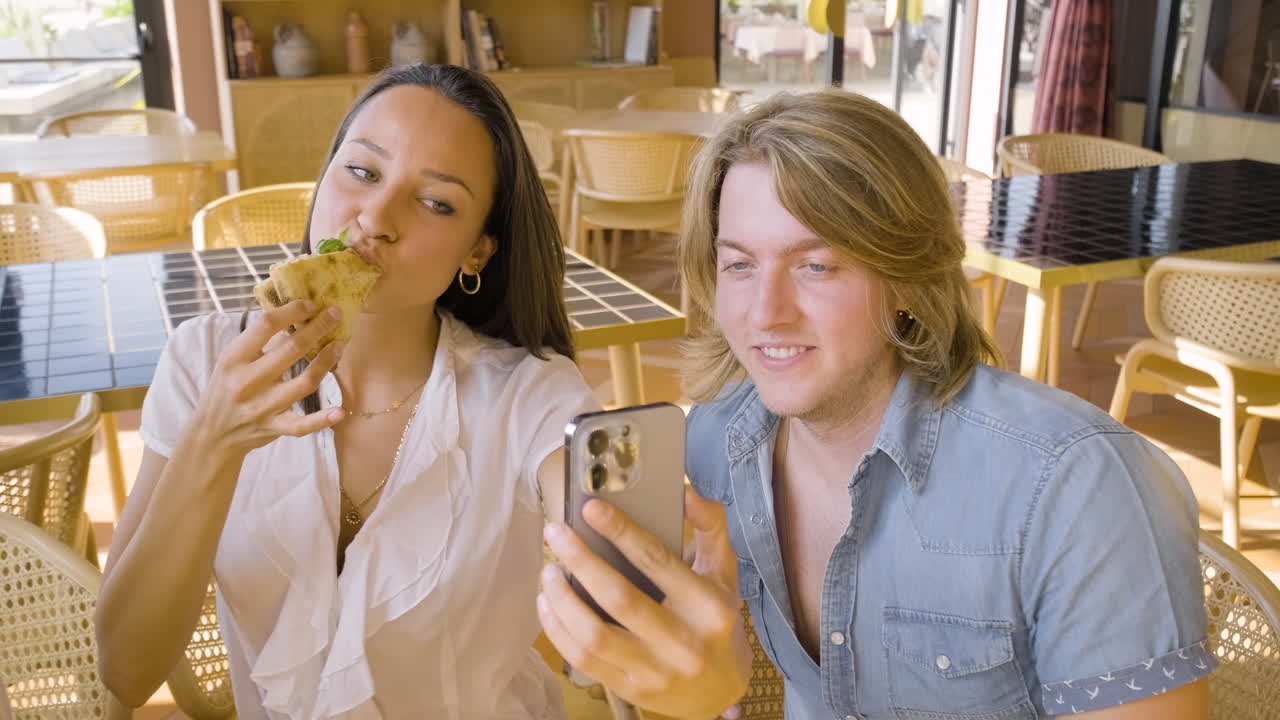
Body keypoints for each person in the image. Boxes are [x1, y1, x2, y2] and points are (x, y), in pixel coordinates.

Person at [538, 89, 1214, 719]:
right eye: (740, 264)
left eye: (817, 265)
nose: (764, 314)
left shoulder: (1078, 488)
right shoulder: (721, 441)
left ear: (910, 281)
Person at [97, 63, 599, 719]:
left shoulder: (531, 399)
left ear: (477, 252)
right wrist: (212, 445)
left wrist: (631, 595)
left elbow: (618, 578)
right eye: (362, 172)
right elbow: (125, 671)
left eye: (436, 201)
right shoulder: (203, 364)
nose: (375, 218)